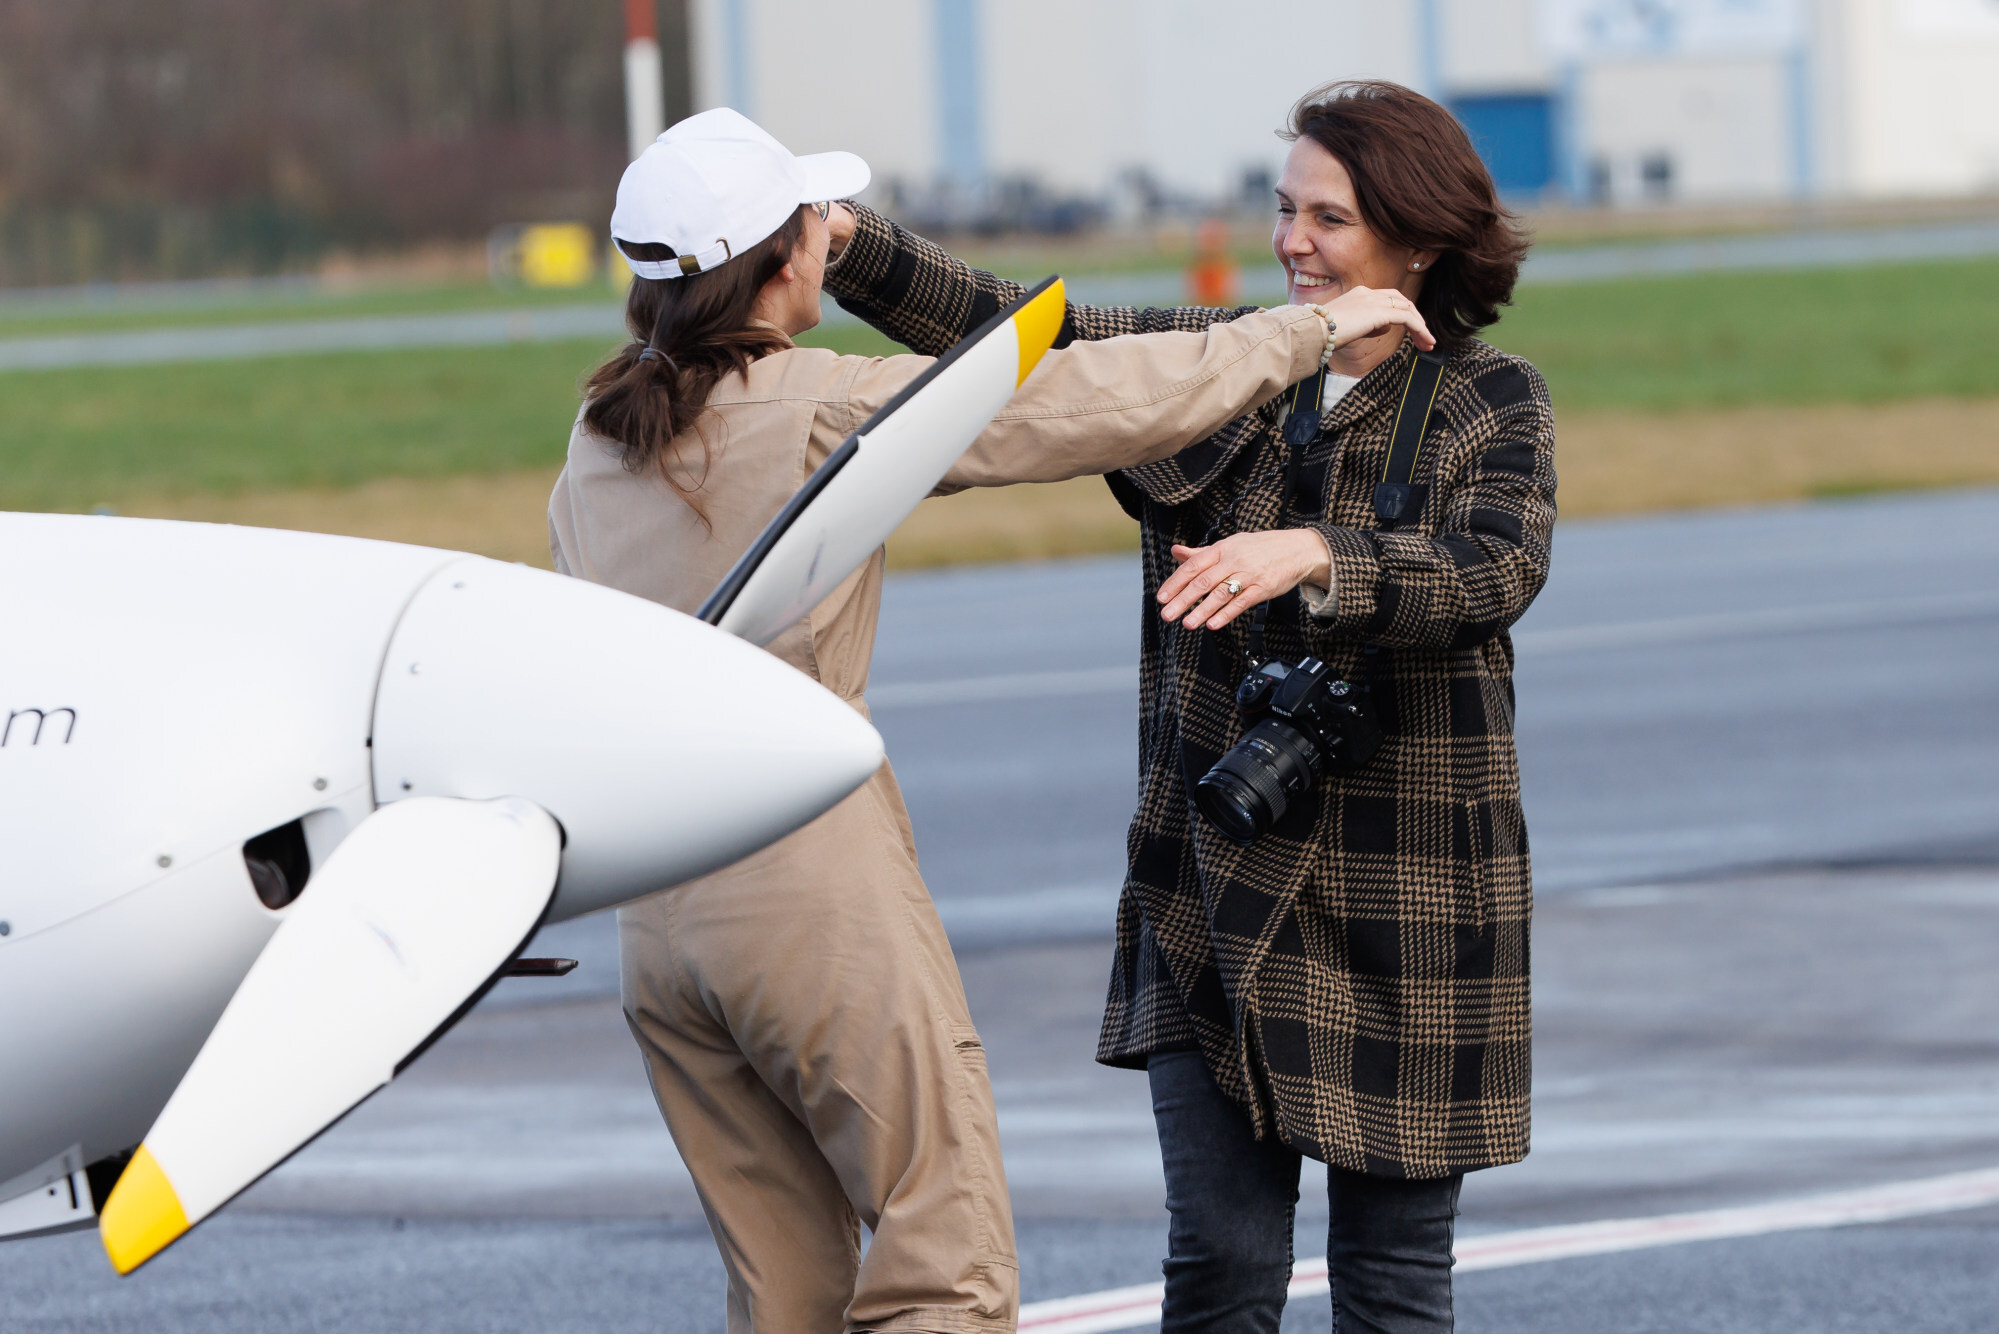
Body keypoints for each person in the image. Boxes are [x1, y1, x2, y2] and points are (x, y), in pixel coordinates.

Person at [546, 107, 1433, 1334]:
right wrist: (1302, 332)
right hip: (801, 885)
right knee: (941, 1262)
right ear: (784, 258)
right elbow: (1074, 398)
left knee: (784, 1290)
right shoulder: (820, 408)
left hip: (658, 917)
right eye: (809, 221)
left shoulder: (593, 444)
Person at [821, 81, 1555, 1332]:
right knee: (1217, 1265)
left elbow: (1498, 568)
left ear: (1417, 242)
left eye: (1330, 217)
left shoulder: (1493, 398)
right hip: (1212, 875)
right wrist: (850, 245)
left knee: (1391, 1283)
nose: (1292, 242)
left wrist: (1322, 554)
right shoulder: (1220, 365)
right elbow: (1016, 329)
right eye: (1284, 209)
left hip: (1412, 900)